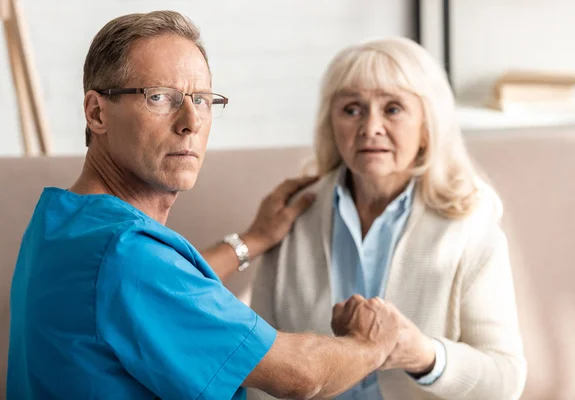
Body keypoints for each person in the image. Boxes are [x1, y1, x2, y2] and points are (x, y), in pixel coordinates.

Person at [7, 12, 407, 400]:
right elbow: (301, 375)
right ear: (97, 113)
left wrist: (252, 240)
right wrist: (371, 344)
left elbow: (162, 292)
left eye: (201, 99)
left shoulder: (64, 222)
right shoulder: (126, 255)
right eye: (160, 97)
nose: (191, 122)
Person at [249, 37, 527, 400]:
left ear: (428, 124)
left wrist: (425, 356)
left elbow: (506, 379)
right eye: (352, 109)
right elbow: (261, 366)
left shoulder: (470, 224)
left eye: (393, 108)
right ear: (331, 122)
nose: (370, 127)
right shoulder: (292, 216)